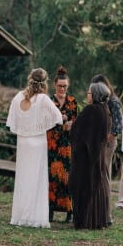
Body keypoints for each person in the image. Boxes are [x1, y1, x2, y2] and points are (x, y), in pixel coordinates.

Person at [6, 68, 62, 227]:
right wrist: (42, 123)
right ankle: (35, 218)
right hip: (37, 143)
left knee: (23, 179)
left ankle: (19, 217)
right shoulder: (43, 99)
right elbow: (57, 117)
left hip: (23, 143)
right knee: (36, 180)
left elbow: (12, 120)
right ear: (45, 82)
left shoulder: (18, 97)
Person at [69, 82, 112, 229]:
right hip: (97, 156)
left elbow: (78, 130)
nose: (88, 95)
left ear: (95, 94)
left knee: (83, 187)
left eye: (89, 92)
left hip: (85, 159)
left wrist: (71, 126)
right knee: (96, 187)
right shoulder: (105, 110)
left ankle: (84, 221)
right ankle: (96, 220)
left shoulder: (91, 110)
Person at [47, 66, 79, 223]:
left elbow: (77, 121)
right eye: (59, 86)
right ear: (55, 85)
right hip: (51, 144)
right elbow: (43, 121)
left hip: (67, 145)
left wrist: (71, 123)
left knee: (67, 178)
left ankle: (69, 211)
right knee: (52, 179)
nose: (62, 88)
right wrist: (58, 120)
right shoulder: (48, 101)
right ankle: (50, 210)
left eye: (65, 86)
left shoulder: (73, 102)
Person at [91, 74, 123, 183]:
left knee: (104, 172)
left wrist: (104, 140)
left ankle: (105, 197)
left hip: (108, 142)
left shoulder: (114, 102)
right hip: (99, 142)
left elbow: (118, 127)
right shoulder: (100, 102)